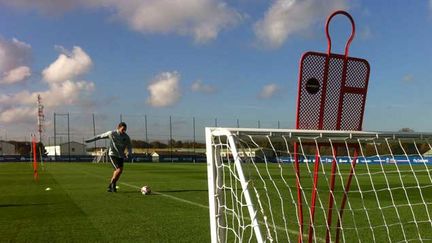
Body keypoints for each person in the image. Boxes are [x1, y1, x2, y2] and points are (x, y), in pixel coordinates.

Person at [85, 122, 132, 192]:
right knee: (118, 170)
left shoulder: (126, 137)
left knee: (119, 171)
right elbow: (99, 136)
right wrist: (90, 140)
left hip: (121, 155)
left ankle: (110, 186)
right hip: (112, 154)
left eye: (125, 129)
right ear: (118, 128)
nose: (124, 131)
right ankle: (113, 185)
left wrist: (129, 153)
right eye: (123, 129)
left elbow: (129, 146)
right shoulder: (112, 133)